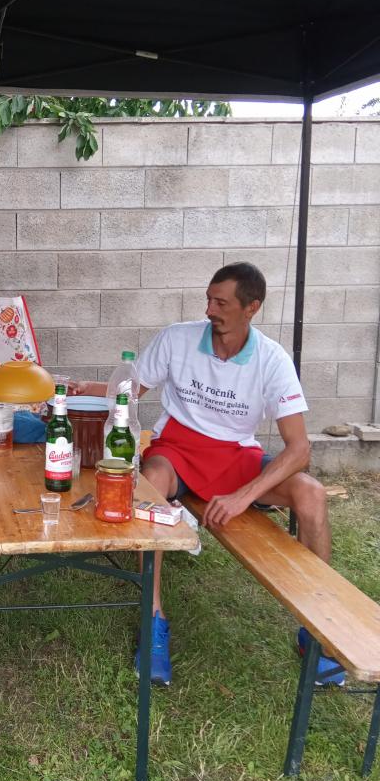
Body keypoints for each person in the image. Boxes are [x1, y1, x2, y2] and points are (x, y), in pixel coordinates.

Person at [70, 262, 342, 689]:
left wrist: (243, 497)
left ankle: (319, 628)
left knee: (312, 493)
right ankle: (154, 621)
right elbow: (129, 390)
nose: (210, 310)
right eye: (209, 300)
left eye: (221, 303)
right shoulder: (177, 338)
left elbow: (300, 449)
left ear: (252, 308)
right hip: (177, 450)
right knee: (150, 483)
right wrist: (78, 389)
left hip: (237, 457)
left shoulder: (272, 359)